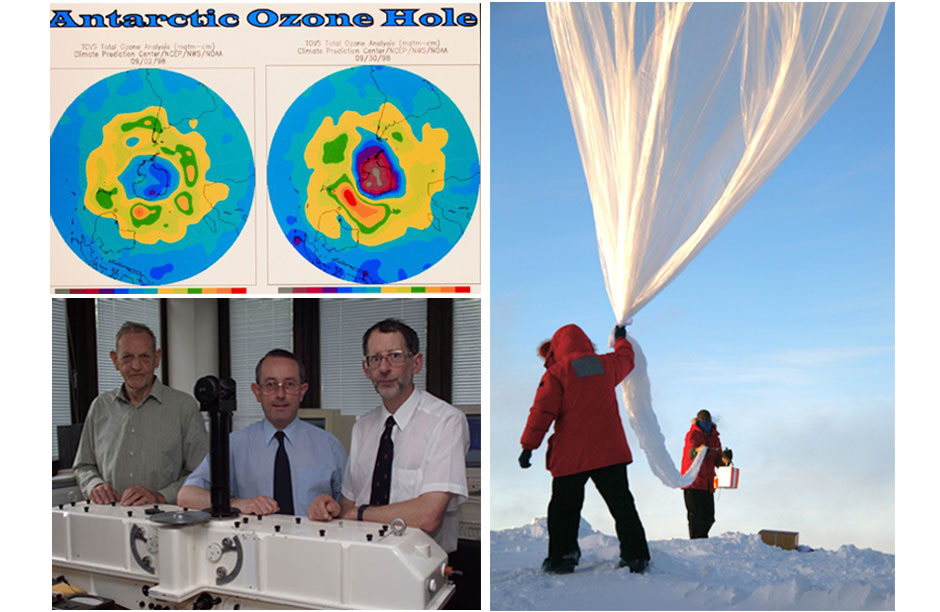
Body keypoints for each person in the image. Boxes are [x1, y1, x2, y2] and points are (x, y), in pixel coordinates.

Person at [307, 318, 470, 555]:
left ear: (416, 363)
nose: (384, 368)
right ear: (366, 369)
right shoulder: (362, 427)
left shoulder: (446, 421)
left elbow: (428, 515)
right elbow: (349, 504)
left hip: (417, 563)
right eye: (375, 359)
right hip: (361, 554)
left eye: (395, 356)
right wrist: (331, 507)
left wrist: (359, 514)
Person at [519, 323, 650, 574]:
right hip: (610, 452)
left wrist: (528, 447)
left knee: (564, 509)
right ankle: (636, 556)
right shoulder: (606, 365)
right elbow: (626, 358)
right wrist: (621, 338)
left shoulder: (556, 374)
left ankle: (562, 557)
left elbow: (541, 413)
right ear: (586, 343)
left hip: (572, 455)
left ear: (557, 349)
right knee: (622, 506)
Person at [178, 349, 347, 517]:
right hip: (253, 542)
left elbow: (348, 507)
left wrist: (334, 508)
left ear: (302, 391)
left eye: (289, 384)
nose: (280, 395)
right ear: (257, 392)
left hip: (314, 541)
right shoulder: (234, 445)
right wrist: (237, 504)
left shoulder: (330, 446)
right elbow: (186, 495)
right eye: (271, 385)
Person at [73, 321, 209, 506]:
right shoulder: (99, 407)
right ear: (115, 360)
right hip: (109, 518)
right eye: (127, 357)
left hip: (166, 520)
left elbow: (202, 473)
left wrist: (160, 496)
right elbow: (84, 466)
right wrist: (94, 485)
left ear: (157, 358)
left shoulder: (184, 407)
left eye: (144, 357)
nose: (136, 366)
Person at [681, 409, 732, 539]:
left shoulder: (715, 438)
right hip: (693, 482)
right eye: (703, 421)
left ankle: (702, 541)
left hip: (708, 484)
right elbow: (691, 452)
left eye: (708, 421)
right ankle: (696, 542)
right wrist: (701, 450)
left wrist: (725, 459)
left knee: (709, 518)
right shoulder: (692, 435)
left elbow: (718, 461)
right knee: (695, 518)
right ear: (698, 421)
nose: (706, 423)